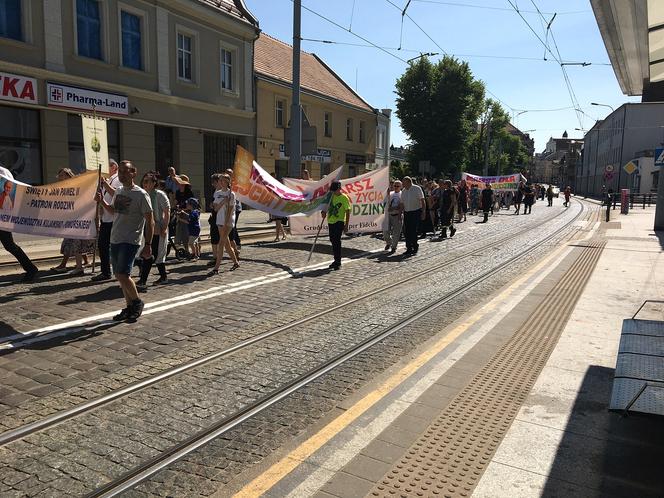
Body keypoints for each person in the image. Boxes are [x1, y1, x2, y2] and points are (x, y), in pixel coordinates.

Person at [96, 160, 154, 321]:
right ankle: (129, 307)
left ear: (133, 173)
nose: (121, 175)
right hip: (115, 238)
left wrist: (148, 244)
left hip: (130, 239)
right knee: (119, 275)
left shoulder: (141, 194)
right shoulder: (120, 191)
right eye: (120, 172)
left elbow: (150, 221)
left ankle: (137, 302)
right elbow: (114, 211)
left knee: (123, 274)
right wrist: (102, 201)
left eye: (125, 171)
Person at [53, 168, 95, 275]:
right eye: (60, 175)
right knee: (74, 241)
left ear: (68, 175)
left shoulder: (75, 185)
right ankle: (84, 261)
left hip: (78, 218)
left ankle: (65, 265)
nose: (61, 177)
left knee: (72, 241)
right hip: (71, 218)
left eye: (63, 175)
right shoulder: (62, 187)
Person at [0, 164, 38, 282]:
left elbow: (11, 188)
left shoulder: (3, 171)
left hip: (3, 217)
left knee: (9, 245)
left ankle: (31, 269)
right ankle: (31, 268)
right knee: (9, 245)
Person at [136, 173, 170, 289]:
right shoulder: (142, 194)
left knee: (151, 253)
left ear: (154, 183)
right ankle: (163, 276)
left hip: (158, 227)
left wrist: (164, 227)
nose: (145, 184)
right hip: (147, 227)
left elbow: (167, 211)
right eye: (144, 181)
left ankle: (143, 280)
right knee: (152, 253)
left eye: (147, 181)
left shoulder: (160, 195)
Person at [92, 159, 121, 281]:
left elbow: (116, 194)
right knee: (103, 245)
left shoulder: (117, 179)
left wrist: (104, 184)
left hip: (114, 219)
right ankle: (106, 272)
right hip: (106, 218)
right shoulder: (109, 180)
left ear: (114, 167)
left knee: (113, 247)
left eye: (106, 167)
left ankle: (138, 262)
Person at [210, 173, 239, 274]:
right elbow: (216, 209)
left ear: (227, 182)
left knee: (221, 243)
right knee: (226, 244)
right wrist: (223, 201)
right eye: (220, 180)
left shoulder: (231, 194)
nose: (220, 182)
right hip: (219, 220)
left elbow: (231, 210)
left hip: (228, 221)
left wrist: (226, 223)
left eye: (222, 180)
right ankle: (235, 262)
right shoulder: (217, 193)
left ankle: (216, 267)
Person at [321, 180, 351, 270]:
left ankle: (337, 261)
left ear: (339, 189)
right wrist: (323, 212)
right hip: (331, 221)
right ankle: (336, 260)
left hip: (339, 221)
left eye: (335, 190)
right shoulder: (331, 196)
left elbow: (348, 211)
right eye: (332, 190)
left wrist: (346, 225)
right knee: (332, 240)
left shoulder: (344, 197)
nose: (333, 192)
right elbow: (326, 207)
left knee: (336, 240)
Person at [400, 176, 425, 255]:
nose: (402, 184)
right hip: (407, 213)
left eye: (403, 182)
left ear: (408, 182)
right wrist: (401, 212)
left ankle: (415, 246)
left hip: (415, 212)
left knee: (413, 230)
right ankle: (409, 248)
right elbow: (402, 203)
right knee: (407, 231)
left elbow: (422, 200)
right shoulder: (403, 191)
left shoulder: (417, 188)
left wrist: (424, 212)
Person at [383, 180, 404, 254]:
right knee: (385, 231)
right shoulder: (390, 193)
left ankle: (394, 247)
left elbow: (402, 206)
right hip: (389, 215)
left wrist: (394, 209)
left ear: (401, 187)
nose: (395, 187)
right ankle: (388, 242)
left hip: (397, 215)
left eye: (397, 186)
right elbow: (385, 203)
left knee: (396, 233)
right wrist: (387, 195)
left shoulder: (402, 194)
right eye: (394, 185)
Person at [225, 168, 242, 252]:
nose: (228, 174)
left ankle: (236, 243)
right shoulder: (225, 183)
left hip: (236, 207)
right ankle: (235, 242)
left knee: (232, 226)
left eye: (229, 173)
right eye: (227, 173)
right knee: (232, 226)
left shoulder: (235, 183)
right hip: (228, 207)